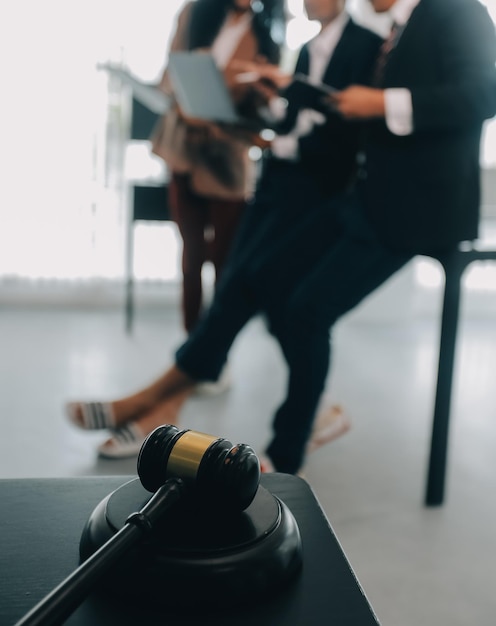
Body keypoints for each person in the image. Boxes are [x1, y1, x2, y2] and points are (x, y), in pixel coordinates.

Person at [65, 0, 383, 463]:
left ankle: (154, 406)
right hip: (277, 181)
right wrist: (277, 107)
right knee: (247, 294)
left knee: (252, 297)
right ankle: (293, 417)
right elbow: (292, 121)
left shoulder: (363, 45)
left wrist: (265, 111)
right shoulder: (305, 43)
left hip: (311, 193)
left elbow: (345, 131)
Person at [152, 0, 285, 335]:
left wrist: (267, 96)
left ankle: (214, 347)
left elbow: (264, 107)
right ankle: (190, 342)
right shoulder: (195, 13)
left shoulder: (267, 36)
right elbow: (170, 73)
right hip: (184, 147)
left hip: (227, 158)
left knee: (225, 260)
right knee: (191, 256)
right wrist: (183, 100)